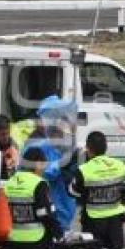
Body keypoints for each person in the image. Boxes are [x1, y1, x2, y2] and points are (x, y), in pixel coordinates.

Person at [69, 131, 125, 249]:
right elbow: (122, 186)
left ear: (88, 149)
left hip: (93, 223)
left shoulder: (84, 170)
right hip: (115, 224)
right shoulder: (120, 166)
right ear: (106, 147)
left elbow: (73, 192)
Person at [3, 146, 62, 249]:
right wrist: (59, 233)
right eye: (43, 164)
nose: (44, 169)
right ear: (37, 164)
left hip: (16, 240)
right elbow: (45, 214)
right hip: (38, 241)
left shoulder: (11, 181)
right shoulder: (38, 184)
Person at [22, 96, 78, 233]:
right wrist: (58, 164)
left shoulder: (67, 147)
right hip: (45, 205)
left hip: (64, 205)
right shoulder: (37, 147)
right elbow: (45, 172)